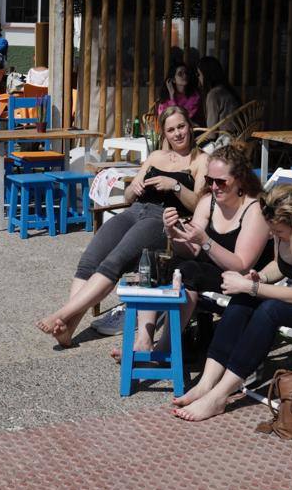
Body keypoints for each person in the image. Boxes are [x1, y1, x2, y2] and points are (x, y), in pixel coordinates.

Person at [172, 185, 292, 422]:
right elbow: (281, 266)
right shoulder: (284, 232)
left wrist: (252, 287)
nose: (273, 236)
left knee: (270, 309)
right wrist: (258, 278)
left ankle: (220, 395)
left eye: (279, 232)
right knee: (243, 297)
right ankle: (206, 383)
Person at [36, 106, 208, 348]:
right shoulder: (156, 156)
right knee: (90, 259)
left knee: (114, 262)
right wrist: (133, 188)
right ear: (165, 134)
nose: (177, 133)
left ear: (190, 127)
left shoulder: (201, 161)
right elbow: (128, 197)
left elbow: (201, 203)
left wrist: (175, 186)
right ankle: (68, 328)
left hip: (162, 218)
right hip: (134, 211)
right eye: (171, 129)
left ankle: (62, 315)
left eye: (181, 127)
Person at [112, 143, 271, 360]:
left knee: (187, 271)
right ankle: (144, 340)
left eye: (221, 182)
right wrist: (173, 233)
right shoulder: (209, 202)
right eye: (209, 181)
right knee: (159, 263)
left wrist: (205, 242)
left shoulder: (254, 211)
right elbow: (191, 248)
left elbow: (242, 265)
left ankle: (164, 348)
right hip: (207, 268)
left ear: (240, 180)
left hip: (239, 279)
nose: (214, 187)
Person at [198, 56, 241, 134]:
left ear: (206, 75)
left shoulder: (213, 95)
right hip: (237, 136)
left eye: (199, 74)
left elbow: (211, 132)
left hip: (224, 140)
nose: (199, 78)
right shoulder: (227, 89)